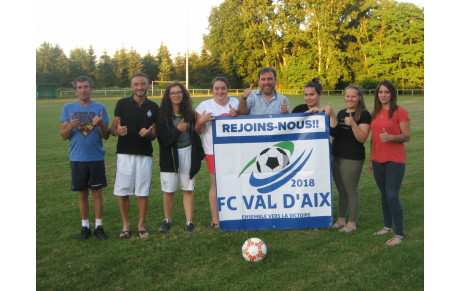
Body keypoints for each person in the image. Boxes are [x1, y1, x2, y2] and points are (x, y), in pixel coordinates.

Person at [60, 76, 110, 241]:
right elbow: (63, 135)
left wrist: (101, 124)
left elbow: (106, 135)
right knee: (82, 194)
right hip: (77, 158)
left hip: (96, 157)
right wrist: (71, 126)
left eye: (86, 87)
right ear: (75, 90)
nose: (83, 90)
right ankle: (85, 226)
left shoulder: (100, 107)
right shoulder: (68, 108)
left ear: (91, 89)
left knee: (97, 193)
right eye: (80, 87)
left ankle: (99, 226)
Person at [110, 73, 159, 238]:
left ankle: (141, 225)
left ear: (147, 86)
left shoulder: (153, 107)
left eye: (143, 84)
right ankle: (125, 225)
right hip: (124, 154)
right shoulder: (122, 104)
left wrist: (149, 134)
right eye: (136, 84)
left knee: (142, 192)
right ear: (132, 86)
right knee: (123, 191)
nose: (140, 87)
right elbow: (112, 129)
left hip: (144, 154)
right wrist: (117, 131)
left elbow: (154, 135)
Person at [156, 83, 204, 233]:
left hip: (187, 154)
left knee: (187, 189)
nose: (176, 95)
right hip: (170, 157)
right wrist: (177, 130)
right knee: (169, 191)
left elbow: (196, 134)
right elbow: (164, 140)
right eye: (173, 93)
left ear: (183, 94)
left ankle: (189, 221)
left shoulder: (190, 113)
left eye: (179, 92)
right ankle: (167, 220)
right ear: (168, 96)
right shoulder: (162, 116)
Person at [369, 80, 410, 246]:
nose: (383, 95)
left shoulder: (400, 112)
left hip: (395, 160)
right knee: (384, 194)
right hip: (377, 160)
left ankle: (399, 234)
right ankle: (387, 227)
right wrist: (372, 159)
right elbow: (373, 138)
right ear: (377, 94)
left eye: (386, 92)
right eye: (380, 92)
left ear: (392, 94)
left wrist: (392, 137)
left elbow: (407, 136)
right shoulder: (375, 113)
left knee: (392, 195)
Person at [326, 85, 371, 233]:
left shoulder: (363, 114)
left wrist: (352, 125)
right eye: (347, 96)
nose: (350, 99)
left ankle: (352, 223)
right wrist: (332, 116)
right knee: (341, 189)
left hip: (352, 158)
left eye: (353, 96)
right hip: (336, 155)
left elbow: (362, 138)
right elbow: (336, 134)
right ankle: (340, 220)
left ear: (359, 97)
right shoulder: (341, 113)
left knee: (350, 190)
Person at [194, 77, 239, 228]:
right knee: (216, 184)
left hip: (234, 150)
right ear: (212, 90)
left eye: (223, 88)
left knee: (235, 182)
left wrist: (237, 115)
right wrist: (202, 121)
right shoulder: (204, 105)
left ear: (228, 89)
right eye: (217, 88)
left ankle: (235, 214)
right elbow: (197, 131)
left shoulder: (236, 103)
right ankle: (216, 219)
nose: (220, 91)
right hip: (212, 151)